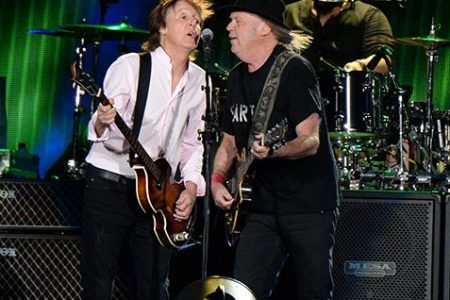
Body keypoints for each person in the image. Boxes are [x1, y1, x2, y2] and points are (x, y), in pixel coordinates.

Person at [81, 1, 213, 299]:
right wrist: (103, 121)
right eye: (184, 18)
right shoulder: (130, 66)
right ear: (162, 28)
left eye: (197, 20)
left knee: (155, 285)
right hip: (110, 184)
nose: (194, 25)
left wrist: (190, 188)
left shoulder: (200, 81)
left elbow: (193, 142)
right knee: (99, 283)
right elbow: (107, 135)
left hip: (159, 194)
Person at [211, 0, 340, 299]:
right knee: (242, 292)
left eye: (237, 21)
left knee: (313, 292)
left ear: (264, 27)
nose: (228, 27)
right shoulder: (236, 77)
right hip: (260, 207)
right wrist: (217, 181)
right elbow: (229, 142)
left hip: (307, 204)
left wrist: (275, 151)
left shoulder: (295, 70)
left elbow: (310, 140)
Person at [285, 0, 394, 74]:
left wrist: (360, 66)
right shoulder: (289, 13)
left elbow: (384, 62)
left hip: (346, 94)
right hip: (294, 90)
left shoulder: (369, 15)